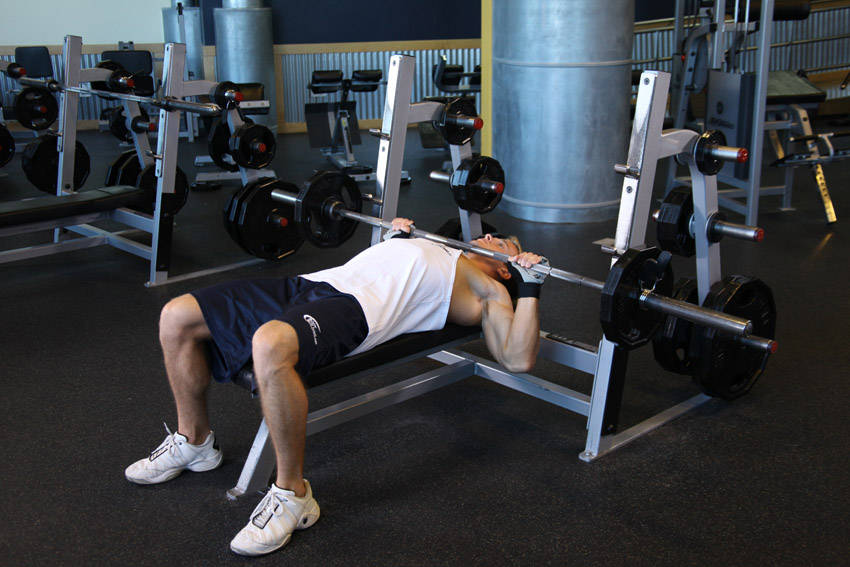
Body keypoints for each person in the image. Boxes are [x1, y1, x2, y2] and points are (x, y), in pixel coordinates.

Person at [125, 218, 547, 557]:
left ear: (505, 266)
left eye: (501, 243)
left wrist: (529, 287)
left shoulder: (487, 288)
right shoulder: (434, 243)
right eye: (489, 233)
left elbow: (517, 358)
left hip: (354, 311)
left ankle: (293, 494)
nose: (488, 235)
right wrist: (394, 239)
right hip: (312, 284)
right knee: (177, 315)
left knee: (269, 344)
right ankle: (194, 441)